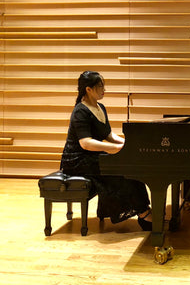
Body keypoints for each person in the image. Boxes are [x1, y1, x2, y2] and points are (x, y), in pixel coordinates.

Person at [60, 71, 152, 231]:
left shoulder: (100, 107)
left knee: (130, 167)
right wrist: (116, 149)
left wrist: (128, 144)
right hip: (77, 160)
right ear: (88, 89)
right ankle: (143, 214)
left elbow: (108, 135)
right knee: (121, 171)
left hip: (91, 155)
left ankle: (144, 210)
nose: (104, 89)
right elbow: (85, 143)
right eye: (100, 86)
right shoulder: (80, 111)